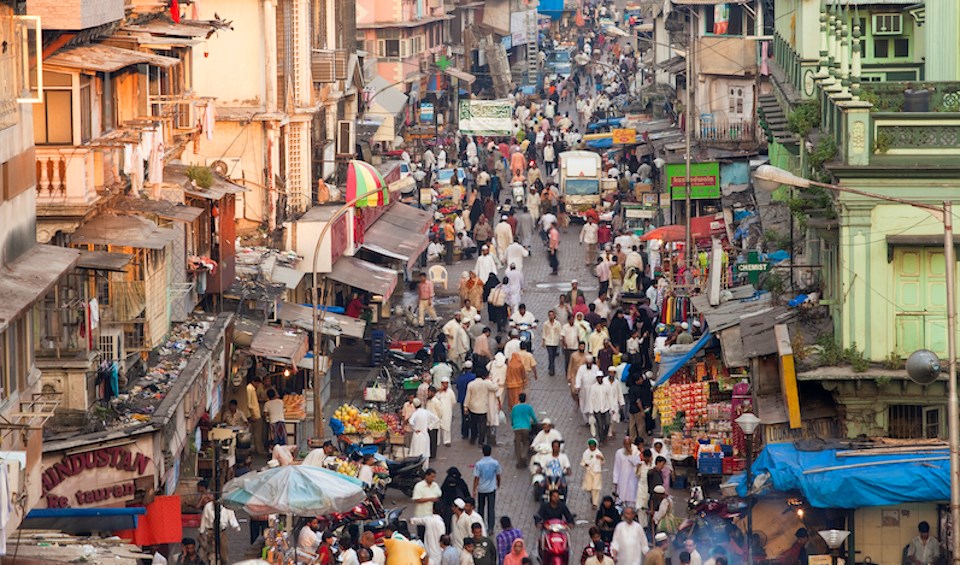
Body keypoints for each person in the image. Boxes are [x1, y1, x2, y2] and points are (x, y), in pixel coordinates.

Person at [473, 444, 502, 531]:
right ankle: (490, 528)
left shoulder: (479, 464)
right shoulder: (495, 463)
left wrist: (474, 489)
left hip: (481, 489)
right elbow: (498, 475)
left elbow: (476, 478)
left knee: (481, 508)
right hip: (491, 489)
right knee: (491, 509)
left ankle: (480, 527)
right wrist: (498, 483)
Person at [465, 374, 498, 445]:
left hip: (473, 407)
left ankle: (473, 439)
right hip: (483, 408)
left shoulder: (471, 384)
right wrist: (494, 381)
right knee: (482, 425)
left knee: (473, 424)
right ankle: (481, 441)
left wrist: (465, 406)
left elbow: (468, 396)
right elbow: (495, 388)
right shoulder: (486, 383)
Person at [409, 399, 441, 470]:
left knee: (416, 452)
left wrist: (415, 428)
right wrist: (430, 426)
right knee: (425, 452)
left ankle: (415, 467)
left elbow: (410, 421)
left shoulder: (415, 413)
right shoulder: (426, 412)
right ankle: (425, 468)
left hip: (417, 435)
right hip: (425, 435)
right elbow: (436, 419)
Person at [510, 393, 538, 468]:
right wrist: (535, 423)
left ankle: (519, 460)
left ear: (519, 399)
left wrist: (513, 424)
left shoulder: (515, 407)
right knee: (526, 442)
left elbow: (512, 417)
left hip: (516, 428)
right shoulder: (528, 407)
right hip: (526, 427)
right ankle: (524, 455)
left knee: (517, 443)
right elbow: (534, 418)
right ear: (525, 399)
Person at [612, 436, 640, 507]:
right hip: (622, 478)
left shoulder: (636, 452)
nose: (627, 446)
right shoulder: (619, 452)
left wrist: (630, 454)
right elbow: (616, 467)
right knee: (621, 496)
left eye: (628, 444)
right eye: (625, 444)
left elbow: (636, 463)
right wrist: (615, 480)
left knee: (631, 496)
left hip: (632, 478)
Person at [581, 438, 605, 508]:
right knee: (589, 487)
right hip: (589, 472)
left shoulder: (598, 453)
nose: (592, 448)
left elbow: (603, 462)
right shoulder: (586, 453)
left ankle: (595, 503)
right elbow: (583, 462)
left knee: (596, 488)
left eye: (593, 446)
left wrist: (601, 458)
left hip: (597, 472)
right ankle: (592, 496)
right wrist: (586, 464)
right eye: (590, 446)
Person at [435, 377, 458, 446]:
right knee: (437, 426)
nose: (445, 385)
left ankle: (447, 441)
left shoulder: (450, 392)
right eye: (444, 383)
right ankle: (437, 442)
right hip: (438, 412)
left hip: (447, 411)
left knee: (447, 426)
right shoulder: (438, 392)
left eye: (446, 384)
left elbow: (453, 401)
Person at [245, 377, 264, 454]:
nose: (258, 385)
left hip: (255, 414)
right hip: (255, 415)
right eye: (258, 383)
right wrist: (252, 414)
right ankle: (258, 450)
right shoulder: (250, 389)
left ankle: (257, 449)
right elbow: (249, 404)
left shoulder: (251, 389)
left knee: (255, 434)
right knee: (257, 434)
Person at [541, 310, 562, 376]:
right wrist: (543, 341)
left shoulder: (558, 324)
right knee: (550, 355)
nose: (551, 316)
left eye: (552, 315)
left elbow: (560, 332)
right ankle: (552, 370)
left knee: (553, 356)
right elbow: (544, 332)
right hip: (549, 341)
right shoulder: (545, 324)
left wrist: (561, 340)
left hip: (555, 342)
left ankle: (550, 366)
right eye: (550, 315)